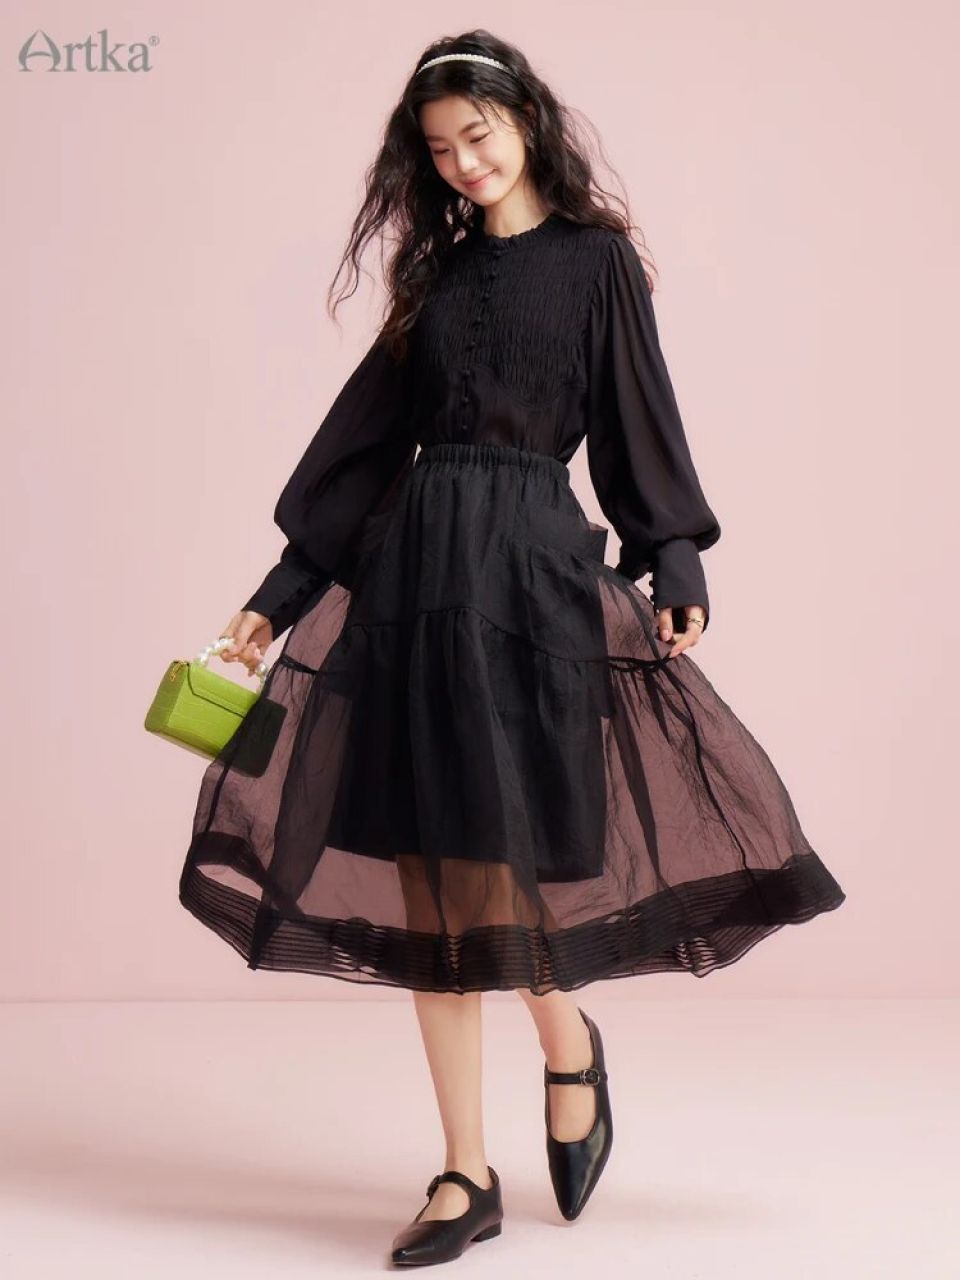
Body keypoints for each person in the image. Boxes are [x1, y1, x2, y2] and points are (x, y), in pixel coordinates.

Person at [177, 31, 846, 1266]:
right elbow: (361, 447)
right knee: (432, 879)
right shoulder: (431, 277)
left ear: (526, 121)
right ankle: (462, 1171)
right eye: (440, 149)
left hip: (531, 581)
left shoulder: (597, 264)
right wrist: (277, 593)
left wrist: (674, 555)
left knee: (499, 862)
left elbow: (641, 417)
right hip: (415, 582)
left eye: (477, 134)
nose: (463, 162)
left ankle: (567, 1040)